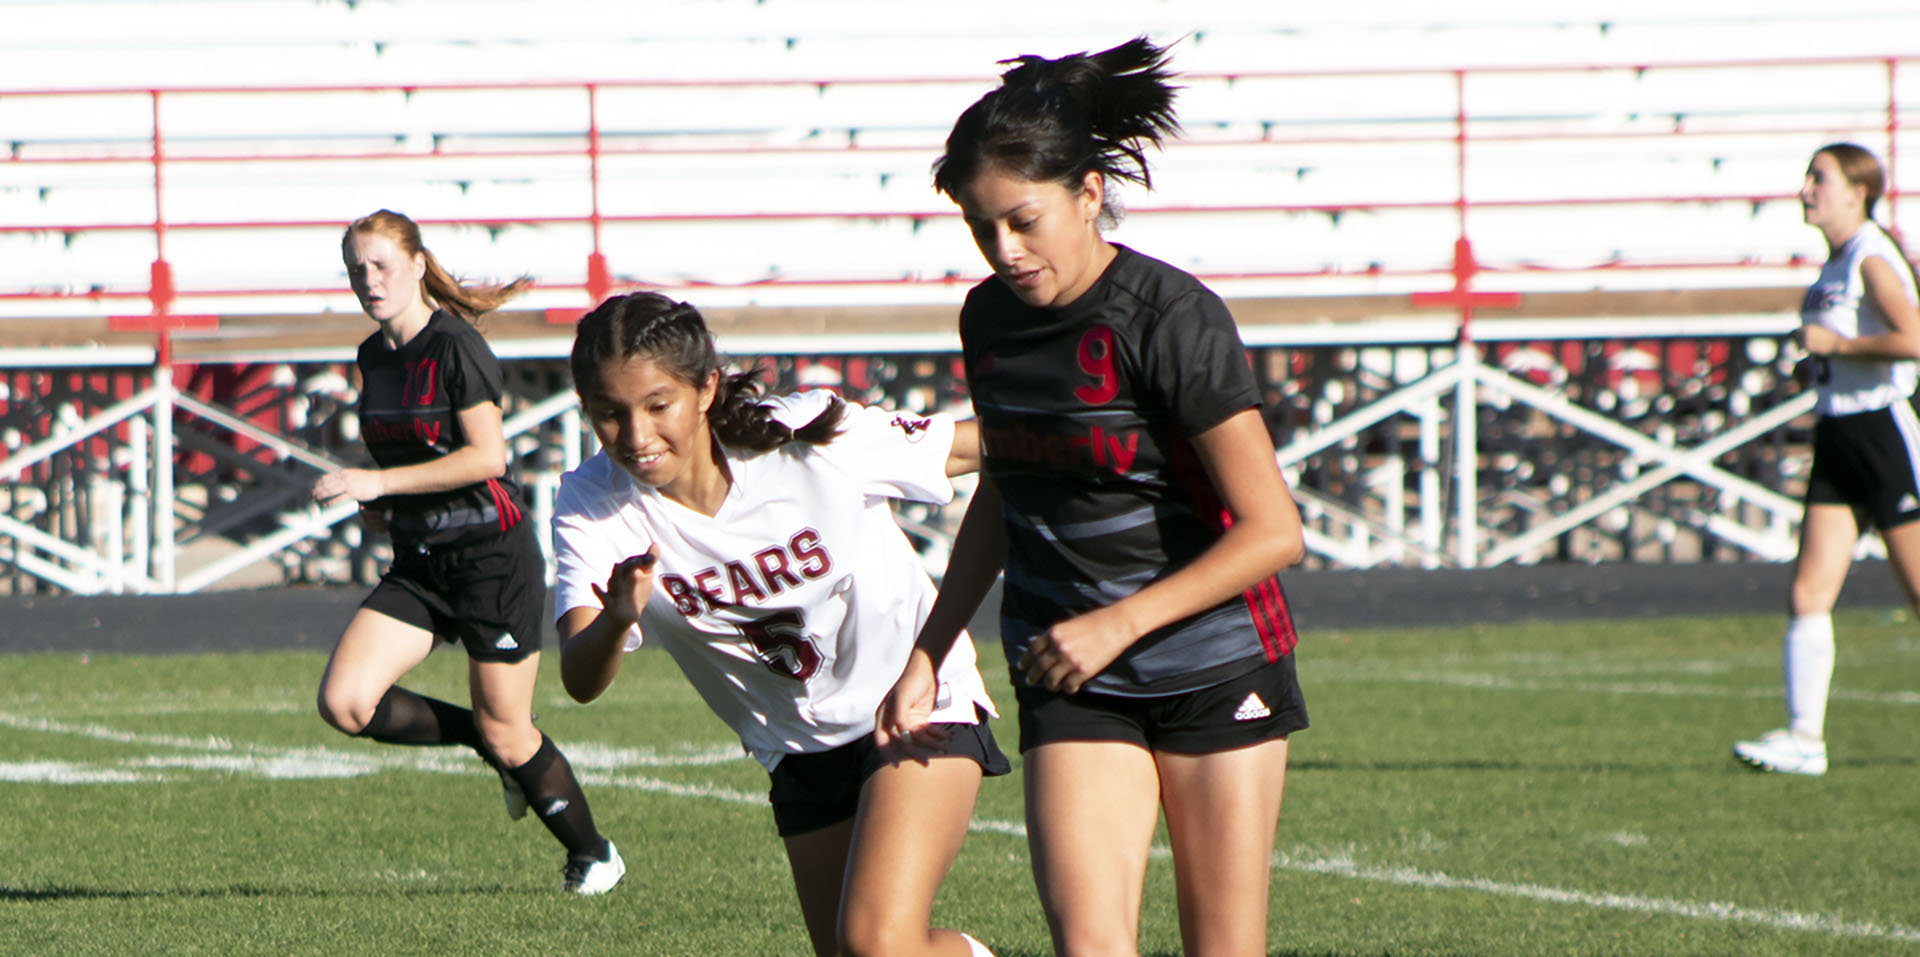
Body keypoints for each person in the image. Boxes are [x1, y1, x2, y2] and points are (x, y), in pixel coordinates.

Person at [875, 37, 1309, 957]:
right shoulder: (988, 318)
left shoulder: (1169, 317)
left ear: (1088, 193)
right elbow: (1004, 488)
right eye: (982, 228)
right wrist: (930, 649)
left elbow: (1274, 530)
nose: (1005, 249)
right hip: (1071, 669)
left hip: (1213, 662)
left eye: (1024, 220)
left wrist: (1122, 622)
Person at [552, 291, 1007, 957]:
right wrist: (617, 618)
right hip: (798, 748)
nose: (637, 435)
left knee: (877, 943)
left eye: (657, 405)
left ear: (706, 386)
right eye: (609, 414)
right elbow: (579, 676)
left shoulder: (807, 435)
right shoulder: (593, 502)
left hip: (915, 702)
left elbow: (986, 446)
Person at [312, 209, 624, 893]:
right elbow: (411, 456)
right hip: (422, 562)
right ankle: (486, 741)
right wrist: (381, 506)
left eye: (382, 265)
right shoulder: (373, 355)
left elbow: (488, 457)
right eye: (356, 269)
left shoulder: (456, 347)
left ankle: (595, 854)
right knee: (346, 701)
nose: (369, 280)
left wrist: (379, 479)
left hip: (491, 561)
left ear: (418, 265)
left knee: (512, 732)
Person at [1733, 143, 1920, 777]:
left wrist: (1837, 343)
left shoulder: (1871, 256)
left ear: (1858, 192)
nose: (1807, 189)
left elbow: (1912, 339)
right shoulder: (1834, 263)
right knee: (1808, 590)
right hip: (1838, 433)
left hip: (1882, 435)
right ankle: (1803, 739)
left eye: (1821, 178)